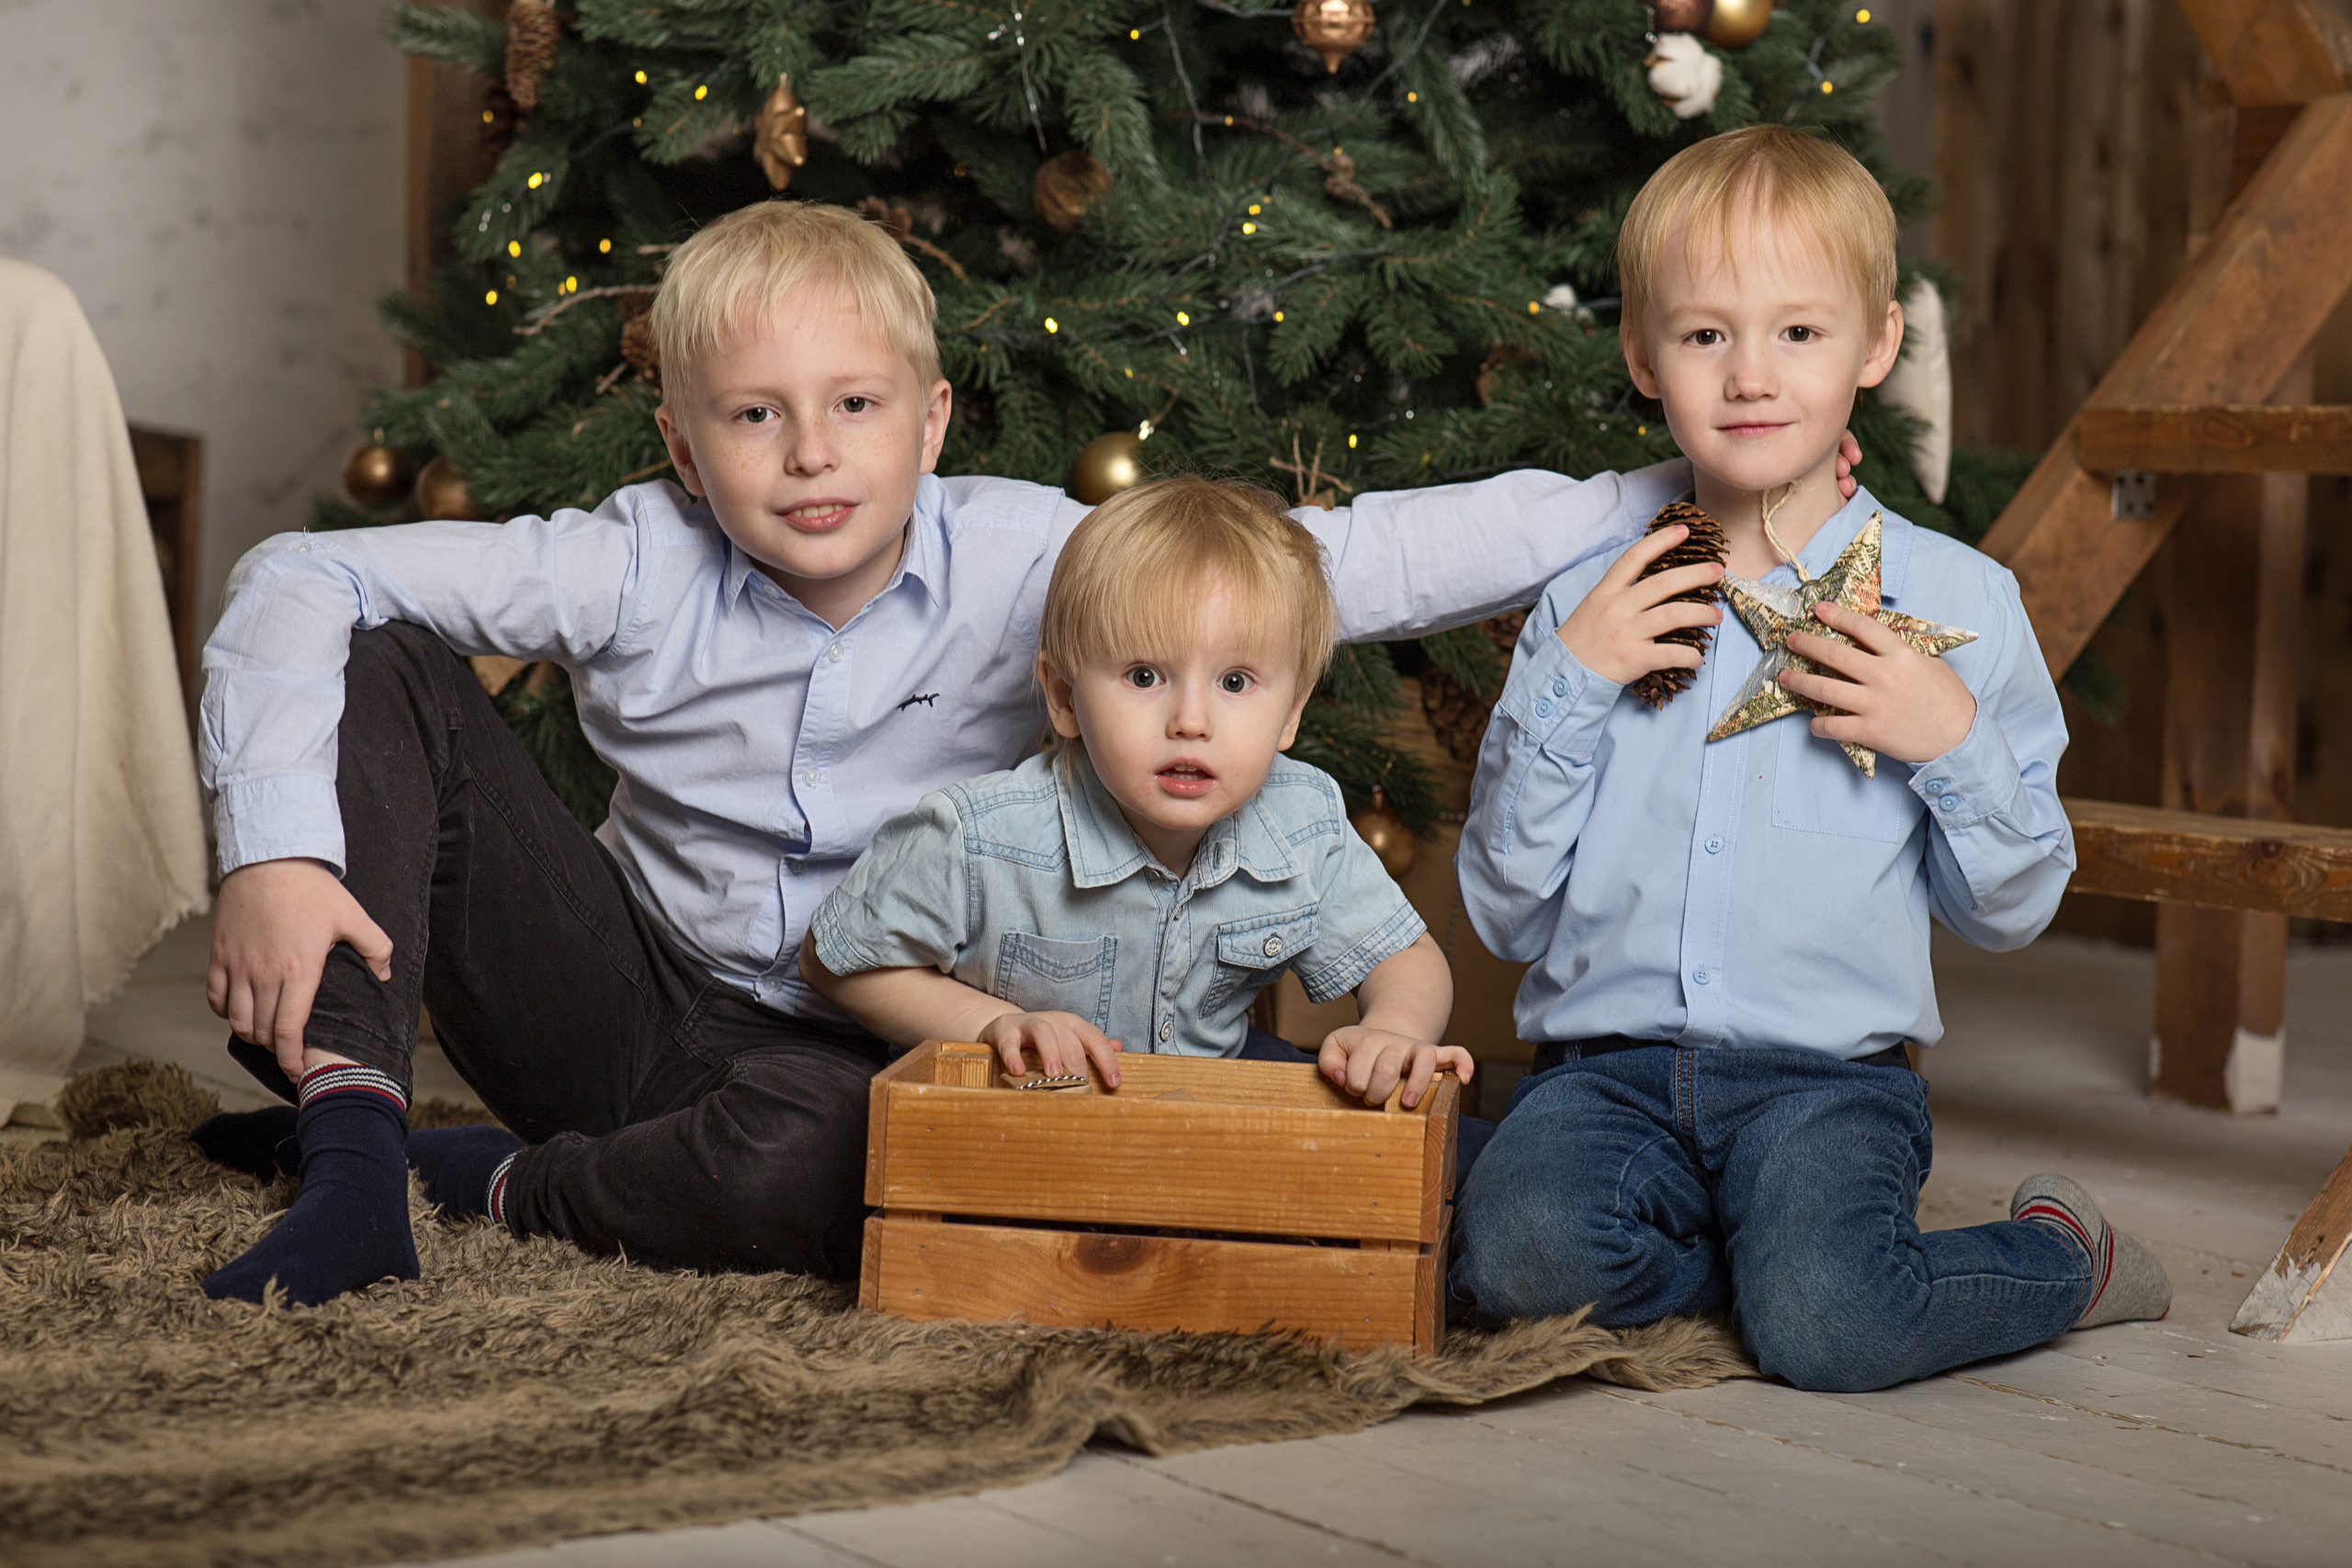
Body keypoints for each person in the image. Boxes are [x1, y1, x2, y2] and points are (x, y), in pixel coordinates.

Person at [189, 198, 1860, 1308]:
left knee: (836, 1176)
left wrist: (1678, 494)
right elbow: (295, 574)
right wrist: (275, 848)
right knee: (386, 648)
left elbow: (1363, 552)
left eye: (855, 407)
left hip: (879, 1034)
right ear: (682, 448)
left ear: (930, 422)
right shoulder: (630, 557)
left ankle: (481, 1180)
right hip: (627, 985)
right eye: (754, 417)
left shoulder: (1034, 557)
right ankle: (350, 1164)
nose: (810, 455)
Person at [1446, 125, 2169, 1393]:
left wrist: (1948, 740)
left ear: (1876, 346)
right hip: (1601, 1073)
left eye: (1798, 330)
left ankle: (2062, 1257)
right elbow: (1505, 913)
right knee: (1513, 1251)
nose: (1749, 375)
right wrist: (1574, 674)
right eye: (1705, 333)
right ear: (1640, 353)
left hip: (1826, 1085)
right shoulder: (1587, 603)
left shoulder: (1963, 602)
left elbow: (2012, 907)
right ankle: (1764, 1267)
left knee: (1836, 1327)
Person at [800, 474, 1473, 1119]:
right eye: (1145, 674)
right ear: (1064, 697)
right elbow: (837, 960)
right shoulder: (981, 836)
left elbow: (1405, 956)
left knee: (1453, 1153)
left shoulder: (1301, 821)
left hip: (1201, 1107)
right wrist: (994, 1023)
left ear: (1291, 714)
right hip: (1028, 1126)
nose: (1191, 720)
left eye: (1235, 682)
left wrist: (1394, 1028)